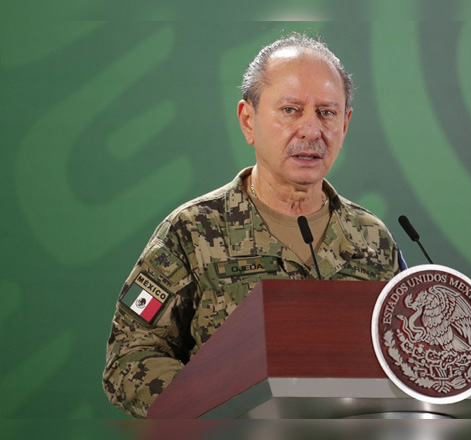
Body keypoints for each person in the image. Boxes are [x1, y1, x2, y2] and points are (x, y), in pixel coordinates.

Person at [103, 32, 403, 418]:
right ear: (248, 120)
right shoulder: (192, 231)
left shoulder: (373, 239)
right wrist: (219, 403)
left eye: (327, 113)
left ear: (345, 123)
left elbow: (406, 361)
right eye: (291, 110)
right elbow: (129, 359)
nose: (312, 130)